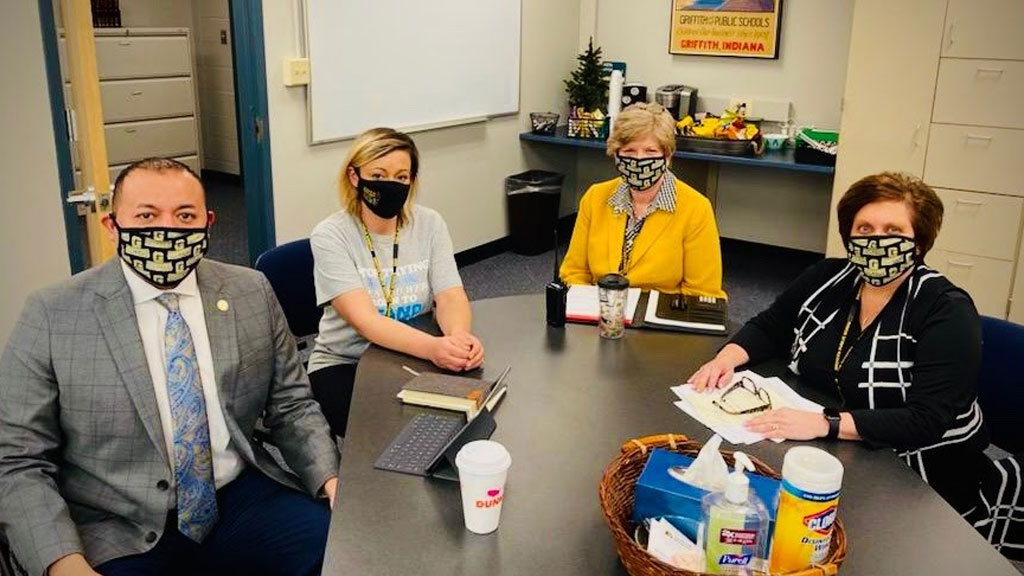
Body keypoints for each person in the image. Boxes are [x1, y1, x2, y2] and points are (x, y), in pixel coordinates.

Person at [0, 158, 340, 576]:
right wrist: (62, 563)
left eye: (185, 216)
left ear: (209, 223)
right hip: (116, 522)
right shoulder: (53, 314)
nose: (168, 230)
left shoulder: (250, 291)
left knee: (346, 552)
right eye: (146, 215)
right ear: (112, 226)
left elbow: (291, 403)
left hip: (235, 496)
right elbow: (17, 458)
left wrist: (330, 479)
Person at [688, 171, 1022, 558]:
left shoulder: (946, 310)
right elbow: (772, 325)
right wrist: (726, 358)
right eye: (865, 228)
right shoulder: (829, 277)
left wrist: (826, 423)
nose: (876, 240)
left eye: (893, 229)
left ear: (920, 240)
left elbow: (928, 418)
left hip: (921, 476)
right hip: (841, 450)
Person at [308, 128, 484, 438]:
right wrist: (434, 349)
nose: (392, 184)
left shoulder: (430, 223)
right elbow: (366, 323)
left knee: (466, 418)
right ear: (354, 176)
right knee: (393, 433)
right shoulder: (330, 235)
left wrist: (458, 338)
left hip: (413, 351)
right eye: (379, 174)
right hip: (348, 362)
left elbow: (450, 295)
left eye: (402, 177)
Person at [559, 102, 726, 298]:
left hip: (659, 320)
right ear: (616, 154)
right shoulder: (595, 198)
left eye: (650, 152)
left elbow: (702, 293)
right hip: (600, 312)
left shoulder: (696, 208)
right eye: (629, 151)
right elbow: (574, 272)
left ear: (667, 155)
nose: (639, 160)